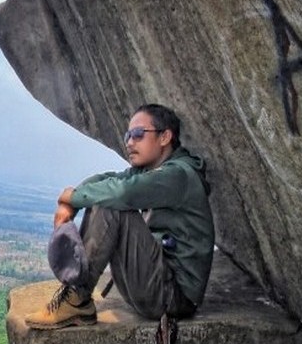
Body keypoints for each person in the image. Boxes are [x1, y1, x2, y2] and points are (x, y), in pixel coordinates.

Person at [25, 104, 214, 329]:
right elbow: (108, 179)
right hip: (152, 284)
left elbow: (122, 193)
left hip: (173, 296)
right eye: (128, 135)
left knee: (111, 204)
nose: (129, 142)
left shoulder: (178, 175)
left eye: (138, 134)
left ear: (165, 137)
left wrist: (73, 198)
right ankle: (76, 296)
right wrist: (70, 202)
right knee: (107, 196)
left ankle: (77, 299)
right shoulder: (151, 171)